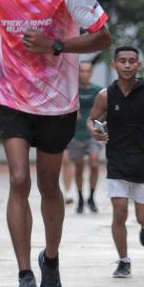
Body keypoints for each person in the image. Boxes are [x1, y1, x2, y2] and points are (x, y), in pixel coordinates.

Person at [0, 0, 111, 287]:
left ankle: (50, 259)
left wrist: (57, 46)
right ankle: (24, 276)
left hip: (56, 101)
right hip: (10, 95)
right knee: (19, 180)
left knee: (48, 185)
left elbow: (103, 36)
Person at [87, 47, 144, 278]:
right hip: (117, 160)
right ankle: (123, 260)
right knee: (119, 211)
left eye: (131, 61)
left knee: (141, 216)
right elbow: (92, 118)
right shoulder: (105, 95)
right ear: (114, 64)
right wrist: (94, 131)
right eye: (122, 61)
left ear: (138, 65)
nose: (126, 65)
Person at [63, 60, 104, 213]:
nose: (85, 74)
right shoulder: (72, 91)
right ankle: (80, 198)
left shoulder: (99, 90)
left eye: (87, 71)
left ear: (91, 73)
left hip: (92, 133)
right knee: (78, 168)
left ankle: (91, 197)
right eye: (82, 71)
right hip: (75, 134)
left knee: (94, 163)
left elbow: (106, 109)